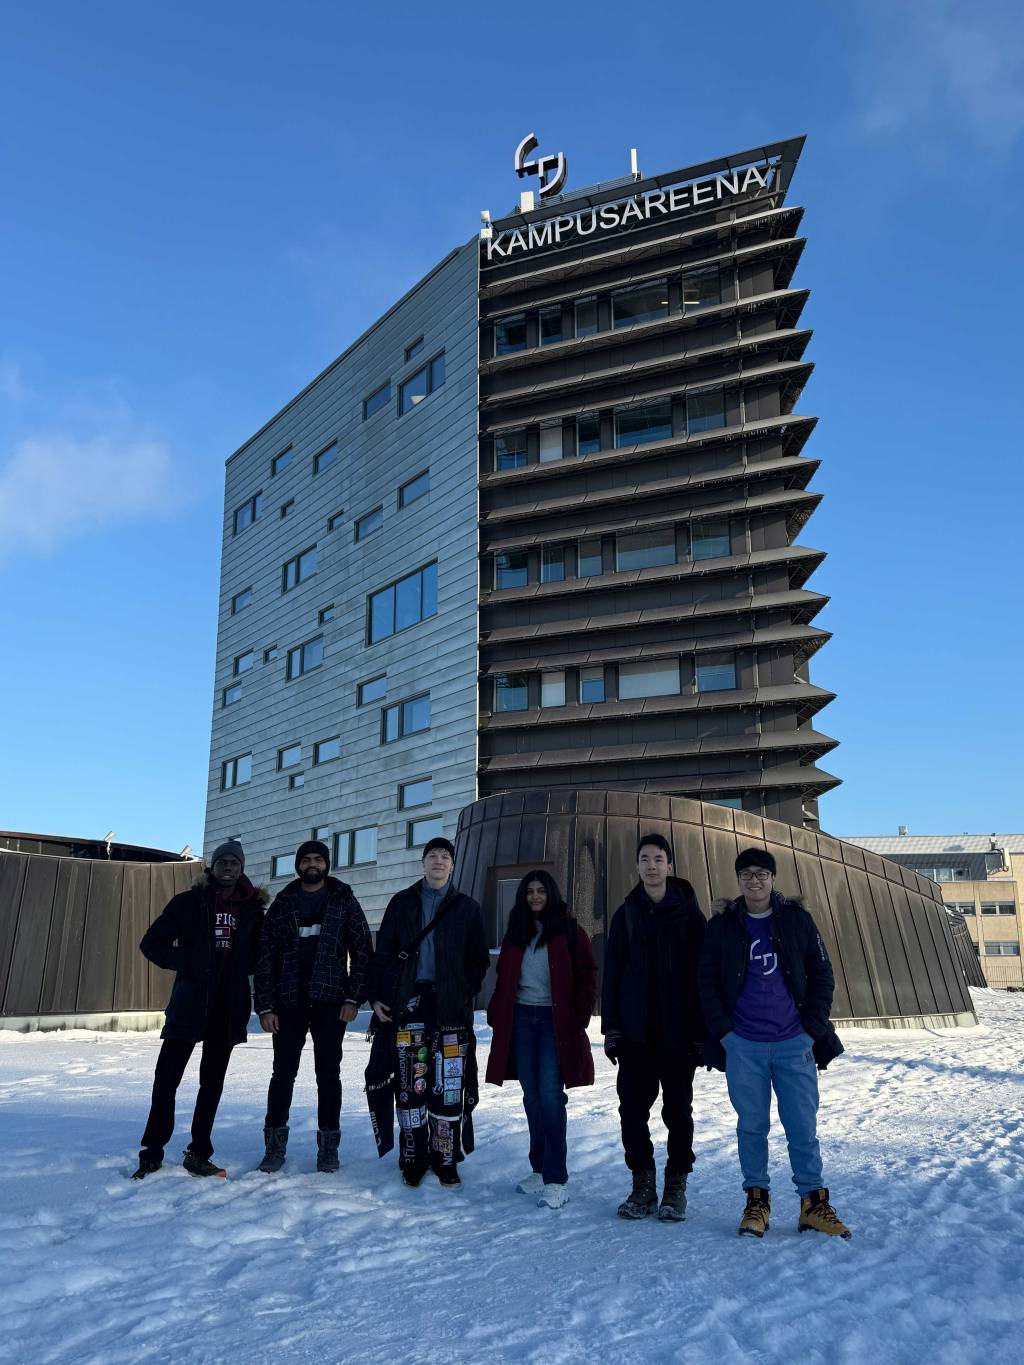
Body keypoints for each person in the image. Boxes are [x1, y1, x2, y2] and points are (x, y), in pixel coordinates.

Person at [699, 846, 851, 1239]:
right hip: (743, 1045)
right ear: (738, 880)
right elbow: (706, 982)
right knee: (751, 1126)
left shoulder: (796, 919)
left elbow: (822, 974)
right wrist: (725, 1034)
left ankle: (813, 1204)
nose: (755, 880)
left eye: (762, 873)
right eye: (747, 873)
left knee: (802, 1126)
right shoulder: (722, 926)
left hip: (792, 1043)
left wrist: (811, 1030)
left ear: (773, 878)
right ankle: (757, 1201)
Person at [132, 840, 266, 1179]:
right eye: (223, 861)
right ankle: (152, 1153)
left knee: (212, 1085)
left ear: (242, 868)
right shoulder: (189, 903)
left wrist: (249, 976)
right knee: (166, 1081)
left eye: (235, 862)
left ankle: (198, 1152)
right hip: (189, 1003)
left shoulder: (253, 910)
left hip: (228, 1007)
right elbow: (151, 943)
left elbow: (263, 957)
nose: (229, 867)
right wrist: (187, 963)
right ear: (213, 866)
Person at [366, 837, 489, 1187]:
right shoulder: (402, 903)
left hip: (451, 1006)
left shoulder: (467, 908)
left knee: (449, 1085)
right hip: (409, 1003)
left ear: (452, 865)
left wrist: (464, 988)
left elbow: (479, 959)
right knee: (410, 1083)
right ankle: (413, 1156)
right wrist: (375, 997)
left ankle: (445, 1156)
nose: (438, 861)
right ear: (423, 863)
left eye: (445, 856)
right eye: (432, 855)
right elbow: (382, 953)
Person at [602, 833, 706, 1222]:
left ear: (670, 865)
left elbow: (703, 977)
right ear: (637, 866)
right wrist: (611, 1027)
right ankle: (642, 1183)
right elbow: (612, 975)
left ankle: (676, 1184)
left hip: (678, 1035)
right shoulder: (625, 913)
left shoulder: (691, 916)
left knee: (678, 1111)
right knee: (632, 1110)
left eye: (658, 859)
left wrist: (701, 1032)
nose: (651, 866)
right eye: (644, 859)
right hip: (634, 1034)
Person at [254, 839, 371, 1173]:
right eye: (306, 859)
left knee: (328, 1075)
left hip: (331, 1002)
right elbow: (264, 957)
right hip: (288, 1003)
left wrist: (353, 997)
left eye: (318, 859)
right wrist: (265, 1006)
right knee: (282, 1074)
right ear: (298, 865)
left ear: (327, 863)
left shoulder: (342, 899)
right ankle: (274, 1147)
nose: (312, 864)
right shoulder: (284, 902)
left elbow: (362, 949)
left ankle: (328, 1149)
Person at [485, 870, 598, 1210]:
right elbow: (504, 975)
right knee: (531, 1096)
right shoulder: (516, 932)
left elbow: (588, 974)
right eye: (529, 891)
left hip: (552, 1023)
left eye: (541, 890)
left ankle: (556, 1179)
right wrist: (496, 1012)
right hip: (521, 1020)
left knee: (551, 1096)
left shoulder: (568, 930)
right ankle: (538, 1169)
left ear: (551, 893)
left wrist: (577, 1016)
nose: (535, 896)